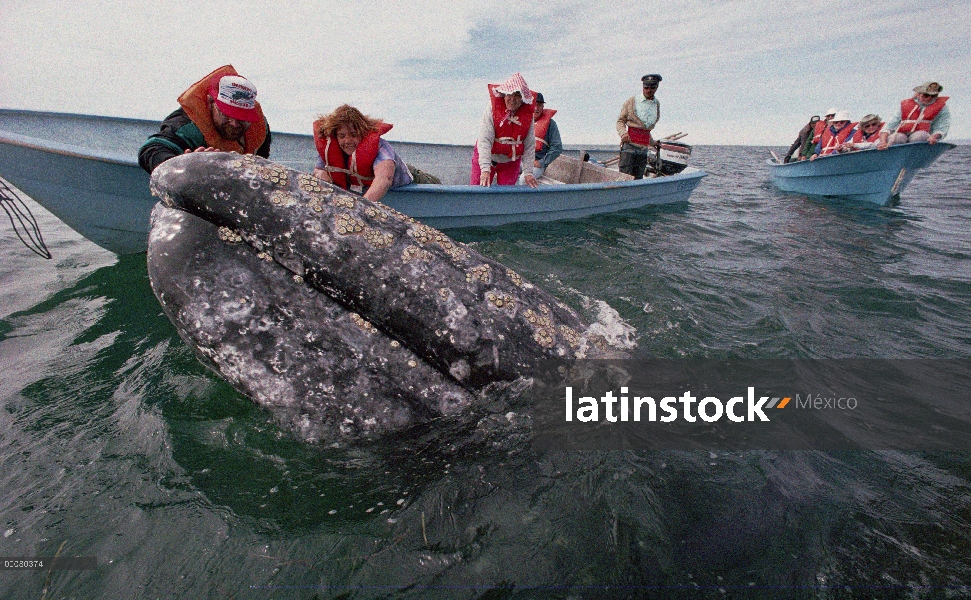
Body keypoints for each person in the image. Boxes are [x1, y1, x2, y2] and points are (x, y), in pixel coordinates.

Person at [138, 65, 271, 174]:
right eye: (226, 114)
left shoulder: (259, 127)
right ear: (210, 101)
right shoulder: (186, 126)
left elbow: (261, 163)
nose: (235, 124)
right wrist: (183, 166)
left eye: (243, 118)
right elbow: (151, 150)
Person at [312, 105, 436, 202]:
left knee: (435, 183)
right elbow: (318, 170)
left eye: (354, 135)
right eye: (342, 136)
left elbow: (385, 178)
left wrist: (360, 209)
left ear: (363, 132)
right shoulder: (332, 149)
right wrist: (322, 175)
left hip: (413, 177)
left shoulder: (381, 148)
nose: (348, 141)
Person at [472, 73, 539, 188]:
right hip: (487, 157)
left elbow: (529, 146)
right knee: (477, 190)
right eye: (509, 94)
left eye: (517, 95)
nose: (512, 99)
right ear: (503, 95)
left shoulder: (527, 116)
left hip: (510, 162)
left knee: (507, 195)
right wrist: (485, 168)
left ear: (523, 97)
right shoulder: (492, 109)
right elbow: (484, 140)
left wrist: (528, 172)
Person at [878, 82, 950, 150]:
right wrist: (883, 142)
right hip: (901, 134)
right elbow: (890, 125)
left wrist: (935, 136)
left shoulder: (942, 108)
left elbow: (942, 126)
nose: (929, 98)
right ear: (918, 94)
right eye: (926, 95)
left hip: (922, 135)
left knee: (920, 136)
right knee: (897, 138)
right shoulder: (905, 104)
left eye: (933, 96)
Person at [616, 74, 661, 179]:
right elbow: (620, 121)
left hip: (643, 150)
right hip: (629, 148)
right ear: (643, 87)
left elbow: (645, 129)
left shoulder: (656, 104)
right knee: (624, 180)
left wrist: (653, 142)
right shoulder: (631, 101)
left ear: (657, 87)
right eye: (646, 87)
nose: (649, 90)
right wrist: (623, 133)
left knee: (638, 181)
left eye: (652, 88)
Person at [531, 92, 562, 179]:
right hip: (521, 161)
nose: (536, 108)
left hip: (537, 164)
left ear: (543, 107)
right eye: (534, 104)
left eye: (539, 105)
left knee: (524, 179)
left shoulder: (551, 124)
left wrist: (541, 162)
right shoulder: (522, 120)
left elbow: (557, 147)